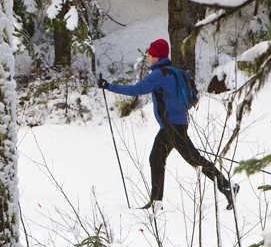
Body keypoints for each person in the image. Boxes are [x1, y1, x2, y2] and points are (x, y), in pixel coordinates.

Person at [98, 38, 237, 210]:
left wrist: (108, 86)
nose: (148, 57)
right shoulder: (174, 72)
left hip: (172, 126)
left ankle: (228, 187)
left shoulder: (159, 75)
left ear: (157, 57)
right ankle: (156, 202)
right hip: (176, 124)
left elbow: (136, 90)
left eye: (151, 54)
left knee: (192, 159)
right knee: (158, 158)